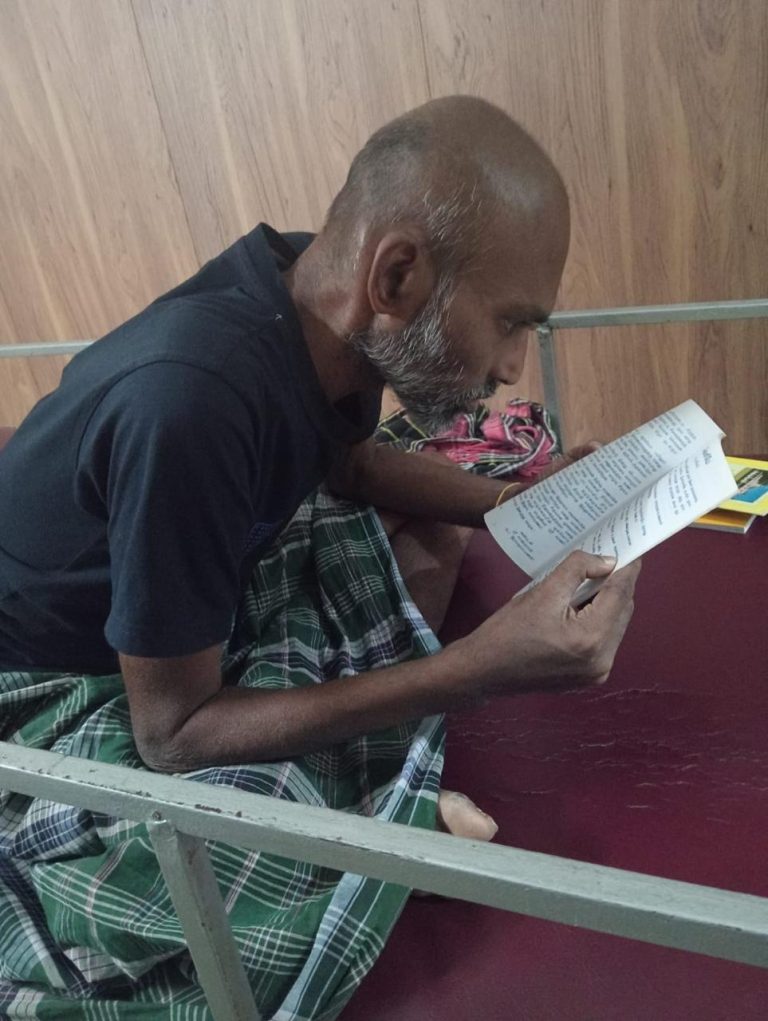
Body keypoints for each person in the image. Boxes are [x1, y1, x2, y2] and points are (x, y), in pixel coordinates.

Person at [0, 96, 639, 795]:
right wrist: (470, 670)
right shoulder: (192, 407)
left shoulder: (314, 294)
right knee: (253, 835)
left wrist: (519, 500)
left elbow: (352, 462)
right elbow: (172, 733)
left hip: (184, 574)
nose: (513, 367)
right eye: (509, 322)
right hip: (63, 666)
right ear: (395, 277)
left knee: (436, 533)